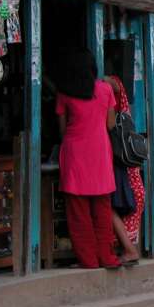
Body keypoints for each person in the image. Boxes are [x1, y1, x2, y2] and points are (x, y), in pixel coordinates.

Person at [55, 49, 120, 269]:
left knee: (78, 213)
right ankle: (107, 258)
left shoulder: (64, 93)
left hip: (75, 154)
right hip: (100, 152)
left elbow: (63, 131)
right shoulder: (105, 90)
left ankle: (89, 261)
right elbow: (110, 124)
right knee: (102, 211)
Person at [106, 75, 142, 265]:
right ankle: (130, 249)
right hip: (130, 173)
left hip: (123, 172)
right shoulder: (126, 114)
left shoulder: (110, 86)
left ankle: (129, 250)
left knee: (110, 206)